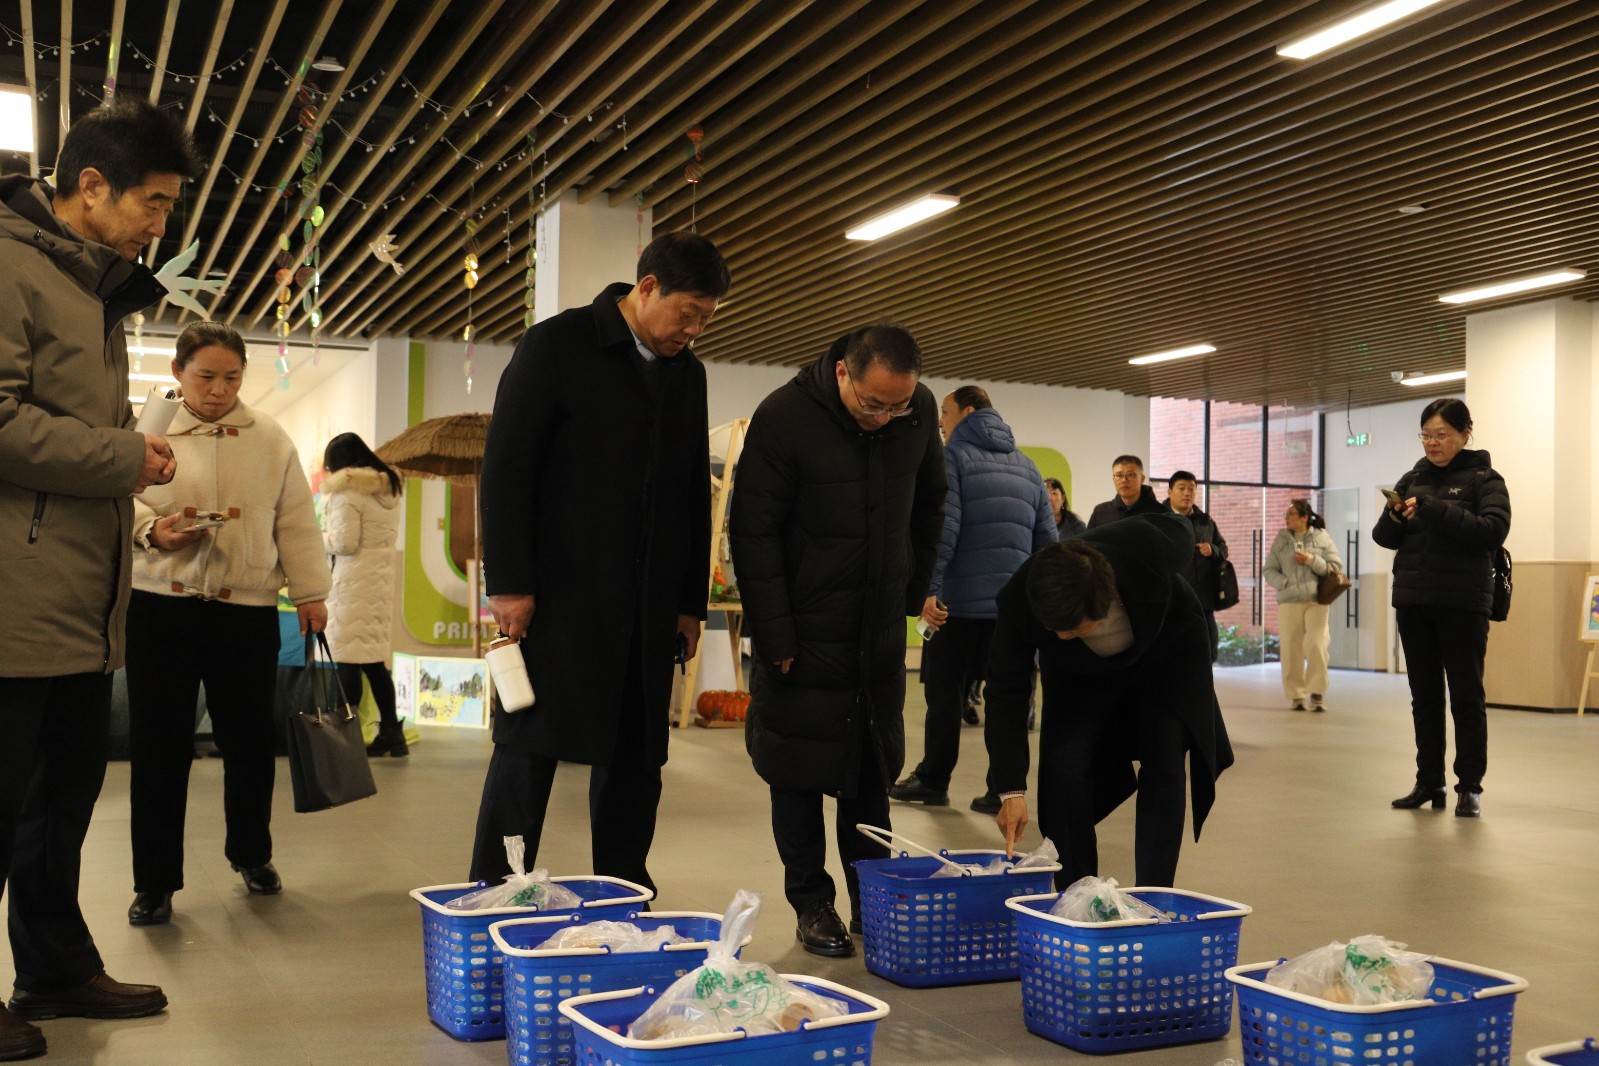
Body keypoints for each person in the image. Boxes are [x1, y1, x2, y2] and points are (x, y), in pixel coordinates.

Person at [0, 96, 201, 1050]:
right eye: (153, 203)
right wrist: (123, 456)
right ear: (90, 185)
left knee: (62, 798)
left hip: (82, 596)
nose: (160, 225)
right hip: (15, 593)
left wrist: (129, 451)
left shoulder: (91, 287)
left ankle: (53, 967)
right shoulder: (10, 265)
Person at [471, 232, 727, 895]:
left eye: (705, 318)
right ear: (647, 288)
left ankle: (623, 890)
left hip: (647, 603)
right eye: (688, 313)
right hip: (559, 597)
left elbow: (689, 495)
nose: (692, 330)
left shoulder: (687, 374)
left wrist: (688, 603)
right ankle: (494, 890)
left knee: (637, 758)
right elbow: (506, 469)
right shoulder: (555, 346)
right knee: (529, 747)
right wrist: (510, 582)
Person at [731, 325, 944, 958]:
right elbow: (754, 531)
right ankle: (811, 904)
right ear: (844, 372)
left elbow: (931, 503)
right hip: (802, 630)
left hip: (875, 631)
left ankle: (869, 900)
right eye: (873, 404)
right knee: (795, 770)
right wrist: (774, 631)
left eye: (897, 406)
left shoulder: (915, 410)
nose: (885, 417)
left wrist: (912, 591)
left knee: (870, 775)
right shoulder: (784, 416)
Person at [124, 320, 330, 927]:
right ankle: (154, 881)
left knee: (248, 743)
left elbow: (295, 519)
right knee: (158, 747)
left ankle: (252, 853)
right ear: (177, 373)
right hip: (160, 605)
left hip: (246, 610)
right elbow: (116, 498)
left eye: (232, 378)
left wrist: (311, 592)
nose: (219, 390)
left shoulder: (269, 437)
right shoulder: (146, 433)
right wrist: (151, 529)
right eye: (206, 376)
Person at [983, 513, 1233, 888]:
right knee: (1064, 770)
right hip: (1078, 677)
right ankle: (1077, 894)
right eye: (1053, 630)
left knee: (1164, 759)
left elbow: (1179, 528)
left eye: (1071, 629)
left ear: (1104, 601)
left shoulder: (1147, 552)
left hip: (1164, 657)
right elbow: (1006, 693)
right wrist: (1010, 790)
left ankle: (1154, 892)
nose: (1061, 636)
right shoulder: (1020, 600)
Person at [889, 386, 1055, 813]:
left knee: (944, 695)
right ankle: (1003, 790)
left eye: (945, 414)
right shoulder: (1028, 467)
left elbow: (944, 531)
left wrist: (929, 590)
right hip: (1011, 612)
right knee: (1007, 699)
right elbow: (1048, 545)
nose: (941, 423)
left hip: (956, 608)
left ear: (966, 411)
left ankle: (933, 779)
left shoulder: (954, 459)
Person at [1373, 398, 1508, 818]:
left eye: (1442, 434)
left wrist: (1436, 510)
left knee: (1466, 698)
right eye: (1426, 435)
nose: (1432, 442)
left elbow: (1492, 531)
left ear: (1465, 434)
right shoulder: (1413, 477)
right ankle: (1429, 781)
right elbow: (1383, 537)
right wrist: (1395, 516)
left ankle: (1469, 786)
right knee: (1424, 699)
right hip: (1414, 602)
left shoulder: (1486, 479)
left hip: (1462, 604)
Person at [320, 433, 406, 757]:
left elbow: (344, 542)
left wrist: (316, 536)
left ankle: (346, 739)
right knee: (373, 662)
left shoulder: (347, 492)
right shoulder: (388, 489)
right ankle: (392, 733)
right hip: (378, 586)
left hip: (352, 586)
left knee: (347, 659)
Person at [1262, 499, 1343, 712]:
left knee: (1317, 644)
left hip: (1317, 600)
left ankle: (1317, 693)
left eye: (1291, 514)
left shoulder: (1321, 537)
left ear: (1304, 517)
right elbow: (1269, 569)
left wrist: (1311, 560)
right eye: (1286, 514)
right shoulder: (1282, 539)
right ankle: (1296, 695)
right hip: (1289, 601)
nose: (1286, 518)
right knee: (1291, 648)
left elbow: (1335, 567)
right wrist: (1284, 583)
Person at [1164, 470, 1229, 662]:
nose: (1187, 493)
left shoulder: (1205, 521)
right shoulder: (1159, 518)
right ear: (1169, 492)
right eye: (1181, 488)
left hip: (1202, 599)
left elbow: (1223, 549)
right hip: (1170, 600)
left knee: (1208, 650)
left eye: (1192, 489)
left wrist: (1213, 550)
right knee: (1172, 653)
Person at [1086, 454, 1165, 527]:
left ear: (1142, 479)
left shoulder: (1160, 513)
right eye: (1119, 475)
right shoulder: (1101, 512)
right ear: (1113, 479)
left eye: (1130, 475)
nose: (1124, 480)